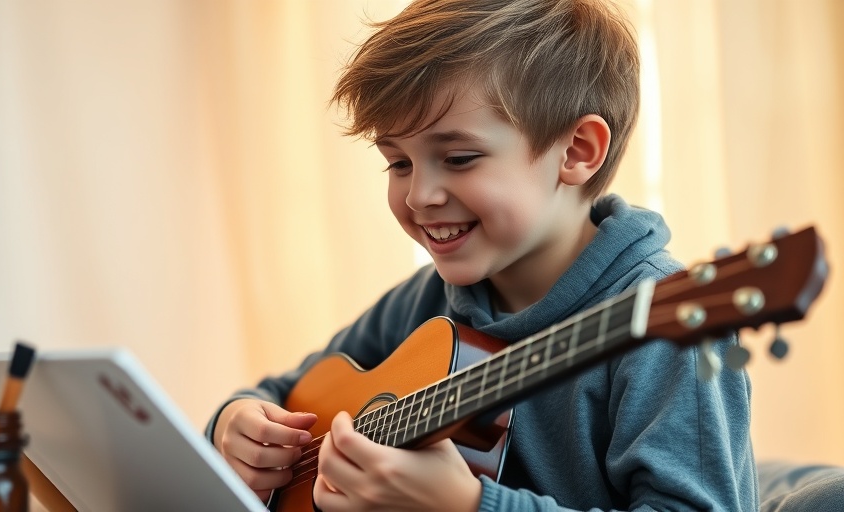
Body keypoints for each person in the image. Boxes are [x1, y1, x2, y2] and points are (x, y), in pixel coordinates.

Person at [206, 0, 758, 510]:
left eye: (459, 158)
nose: (419, 196)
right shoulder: (429, 300)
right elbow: (286, 394)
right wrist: (235, 423)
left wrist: (471, 504)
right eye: (399, 163)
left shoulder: (667, 326)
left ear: (576, 151)